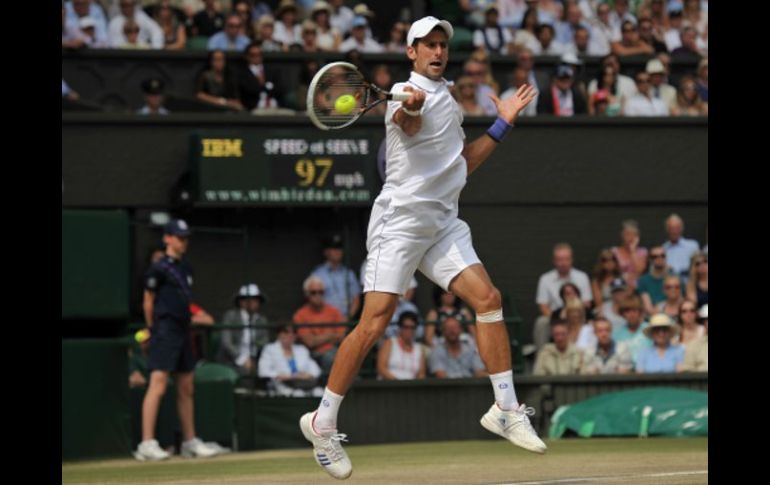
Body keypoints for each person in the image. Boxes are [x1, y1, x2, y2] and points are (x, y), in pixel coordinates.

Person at [298, 16, 544, 481]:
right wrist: (408, 108)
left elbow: (461, 166)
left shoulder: (448, 100)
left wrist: (502, 124)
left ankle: (506, 409)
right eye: (427, 45)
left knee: (488, 301)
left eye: (441, 45)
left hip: (443, 222)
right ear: (411, 52)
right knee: (373, 323)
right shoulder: (406, 99)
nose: (437, 52)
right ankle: (322, 421)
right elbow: (407, 125)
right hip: (400, 224)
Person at [134, 219, 218, 461]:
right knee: (158, 383)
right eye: (179, 238)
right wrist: (152, 330)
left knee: (186, 386)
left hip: (183, 330)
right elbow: (148, 301)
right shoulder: (157, 268)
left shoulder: (187, 268)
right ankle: (146, 443)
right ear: (167, 238)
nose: (184, 242)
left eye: (186, 238)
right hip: (164, 329)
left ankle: (190, 442)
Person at [258, 324, 322, 397]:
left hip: (303, 384)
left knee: (319, 392)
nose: (290, 335)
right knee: (298, 394)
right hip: (281, 385)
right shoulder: (269, 349)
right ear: (279, 334)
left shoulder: (302, 349)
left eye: (293, 332)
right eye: (286, 332)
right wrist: (284, 376)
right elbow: (263, 372)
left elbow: (316, 370)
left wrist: (308, 375)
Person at [376, 312, 427, 380]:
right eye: (406, 327)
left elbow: (421, 374)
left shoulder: (419, 349)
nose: (409, 330)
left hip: (411, 388)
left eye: (412, 327)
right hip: (389, 385)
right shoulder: (390, 343)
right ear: (400, 327)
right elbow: (381, 368)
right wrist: (398, 383)